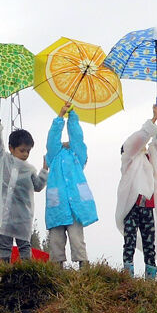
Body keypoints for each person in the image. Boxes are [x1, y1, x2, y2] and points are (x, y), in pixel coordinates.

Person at [115, 103, 157, 279]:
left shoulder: (150, 159)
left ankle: (150, 279)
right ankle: (127, 276)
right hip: (132, 208)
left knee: (149, 244)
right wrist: (152, 118)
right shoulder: (128, 160)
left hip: (147, 208)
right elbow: (138, 139)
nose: (142, 146)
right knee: (129, 241)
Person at [0, 104, 48, 262]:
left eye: (28, 151)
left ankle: (26, 274)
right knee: (4, 246)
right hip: (4, 215)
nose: (25, 154)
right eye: (22, 150)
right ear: (11, 148)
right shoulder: (3, 160)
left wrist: (44, 170)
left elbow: (38, 186)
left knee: (24, 246)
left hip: (22, 218)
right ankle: (4, 274)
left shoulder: (30, 169)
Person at [44, 102, 97, 269]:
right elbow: (52, 139)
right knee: (55, 242)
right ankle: (56, 272)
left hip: (75, 208)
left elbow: (77, 137)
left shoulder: (78, 155)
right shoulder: (53, 155)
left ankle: (84, 269)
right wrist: (60, 116)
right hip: (57, 207)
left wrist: (72, 117)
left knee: (77, 240)